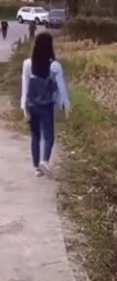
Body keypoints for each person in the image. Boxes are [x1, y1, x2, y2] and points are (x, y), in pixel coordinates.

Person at [20, 32, 71, 177]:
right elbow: (61, 88)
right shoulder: (55, 66)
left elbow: (25, 86)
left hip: (31, 105)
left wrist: (24, 106)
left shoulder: (27, 64)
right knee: (49, 136)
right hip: (46, 106)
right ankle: (44, 161)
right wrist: (65, 105)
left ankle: (37, 168)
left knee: (35, 136)